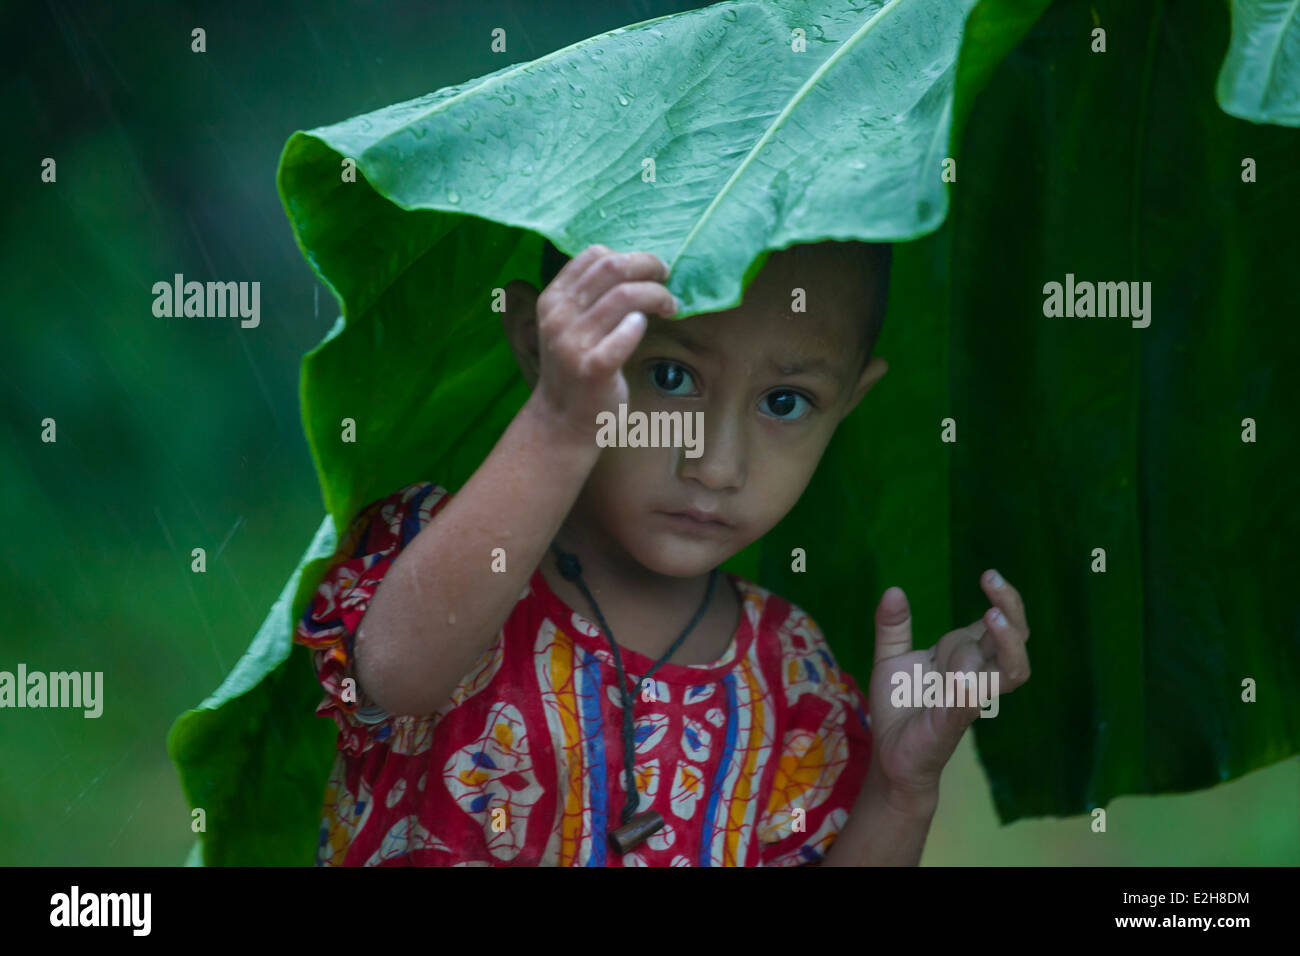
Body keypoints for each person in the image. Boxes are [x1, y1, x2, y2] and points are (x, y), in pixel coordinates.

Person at [293, 239, 1032, 866]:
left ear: (848, 403)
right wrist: (558, 420)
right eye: (670, 377)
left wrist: (900, 793)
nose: (716, 464)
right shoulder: (446, 553)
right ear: (536, 347)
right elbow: (392, 675)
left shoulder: (794, 676)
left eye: (785, 402)